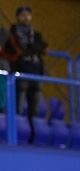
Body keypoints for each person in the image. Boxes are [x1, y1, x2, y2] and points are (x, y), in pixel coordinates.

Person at [3, 6, 47, 142]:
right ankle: (15, 136)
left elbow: (43, 47)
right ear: (17, 17)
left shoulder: (36, 34)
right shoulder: (13, 32)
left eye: (28, 14)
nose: (26, 17)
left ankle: (32, 137)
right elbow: (18, 51)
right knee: (18, 106)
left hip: (36, 72)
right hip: (20, 72)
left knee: (34, 108)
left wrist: (33, 49)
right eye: (23, 15)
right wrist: (32, 49)